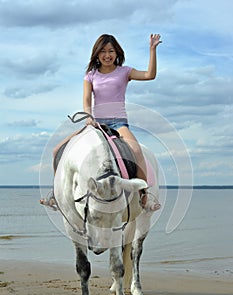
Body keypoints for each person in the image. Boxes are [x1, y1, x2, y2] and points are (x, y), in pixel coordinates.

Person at [40, 33, 161, 211]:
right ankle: (57, 195)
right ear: (96, 54)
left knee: (135, 150)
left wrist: (152, 49)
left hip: (118, 123)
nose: (107, 55)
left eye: (111, 51)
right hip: (96, 124)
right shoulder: (90, 75)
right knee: (57, 150)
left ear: (117, 52)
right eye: (103, 51)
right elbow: (87, 101)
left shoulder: (125, 72)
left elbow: (150, 75)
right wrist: (89, 117)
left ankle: (144, 195)